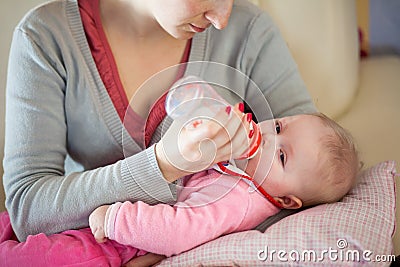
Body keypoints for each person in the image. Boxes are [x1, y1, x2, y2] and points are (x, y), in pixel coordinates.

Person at [3, 0, 316, 243]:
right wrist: (164, 164)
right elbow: (28, 209)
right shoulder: (45, 38)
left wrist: (188, 240)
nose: (223, 19)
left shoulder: (250, 31)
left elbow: (316, 179)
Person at [0, 113, 359, 266]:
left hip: (121, 243)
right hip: (110, 212)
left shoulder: (240, 201)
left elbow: (181, 230)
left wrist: (117, 218)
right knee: (11, 225)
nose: (267, 135)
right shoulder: (245, 174)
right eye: (279, 125)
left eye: (281, 154)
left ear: (285, 201)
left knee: (40, 259)